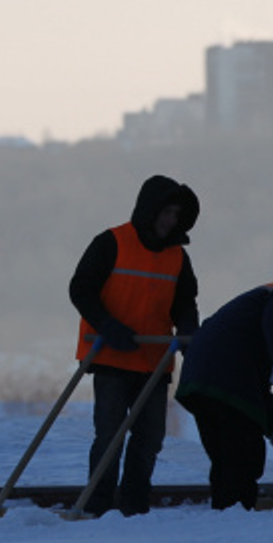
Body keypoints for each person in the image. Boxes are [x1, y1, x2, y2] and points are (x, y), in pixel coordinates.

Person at [68, 174, 201, 516]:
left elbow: (185, 302)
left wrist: (188, 328)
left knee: (150, 437)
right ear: (150, 210)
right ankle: (98, 504)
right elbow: (81, 288)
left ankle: (135, 504)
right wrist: (107, 325)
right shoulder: (111, 242)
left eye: (176, 214)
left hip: (154, 360)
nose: (171, 221)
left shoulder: (177, 257)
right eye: (166, 212)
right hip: (110, 355)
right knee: (109, 435)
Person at [174, 267, 273, 511]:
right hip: (228, 380)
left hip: (198, 381)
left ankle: (225, 511)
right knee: (245, 457)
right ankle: (237, 513)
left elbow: (258, 385)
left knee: (224, 458)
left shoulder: (260, 299)